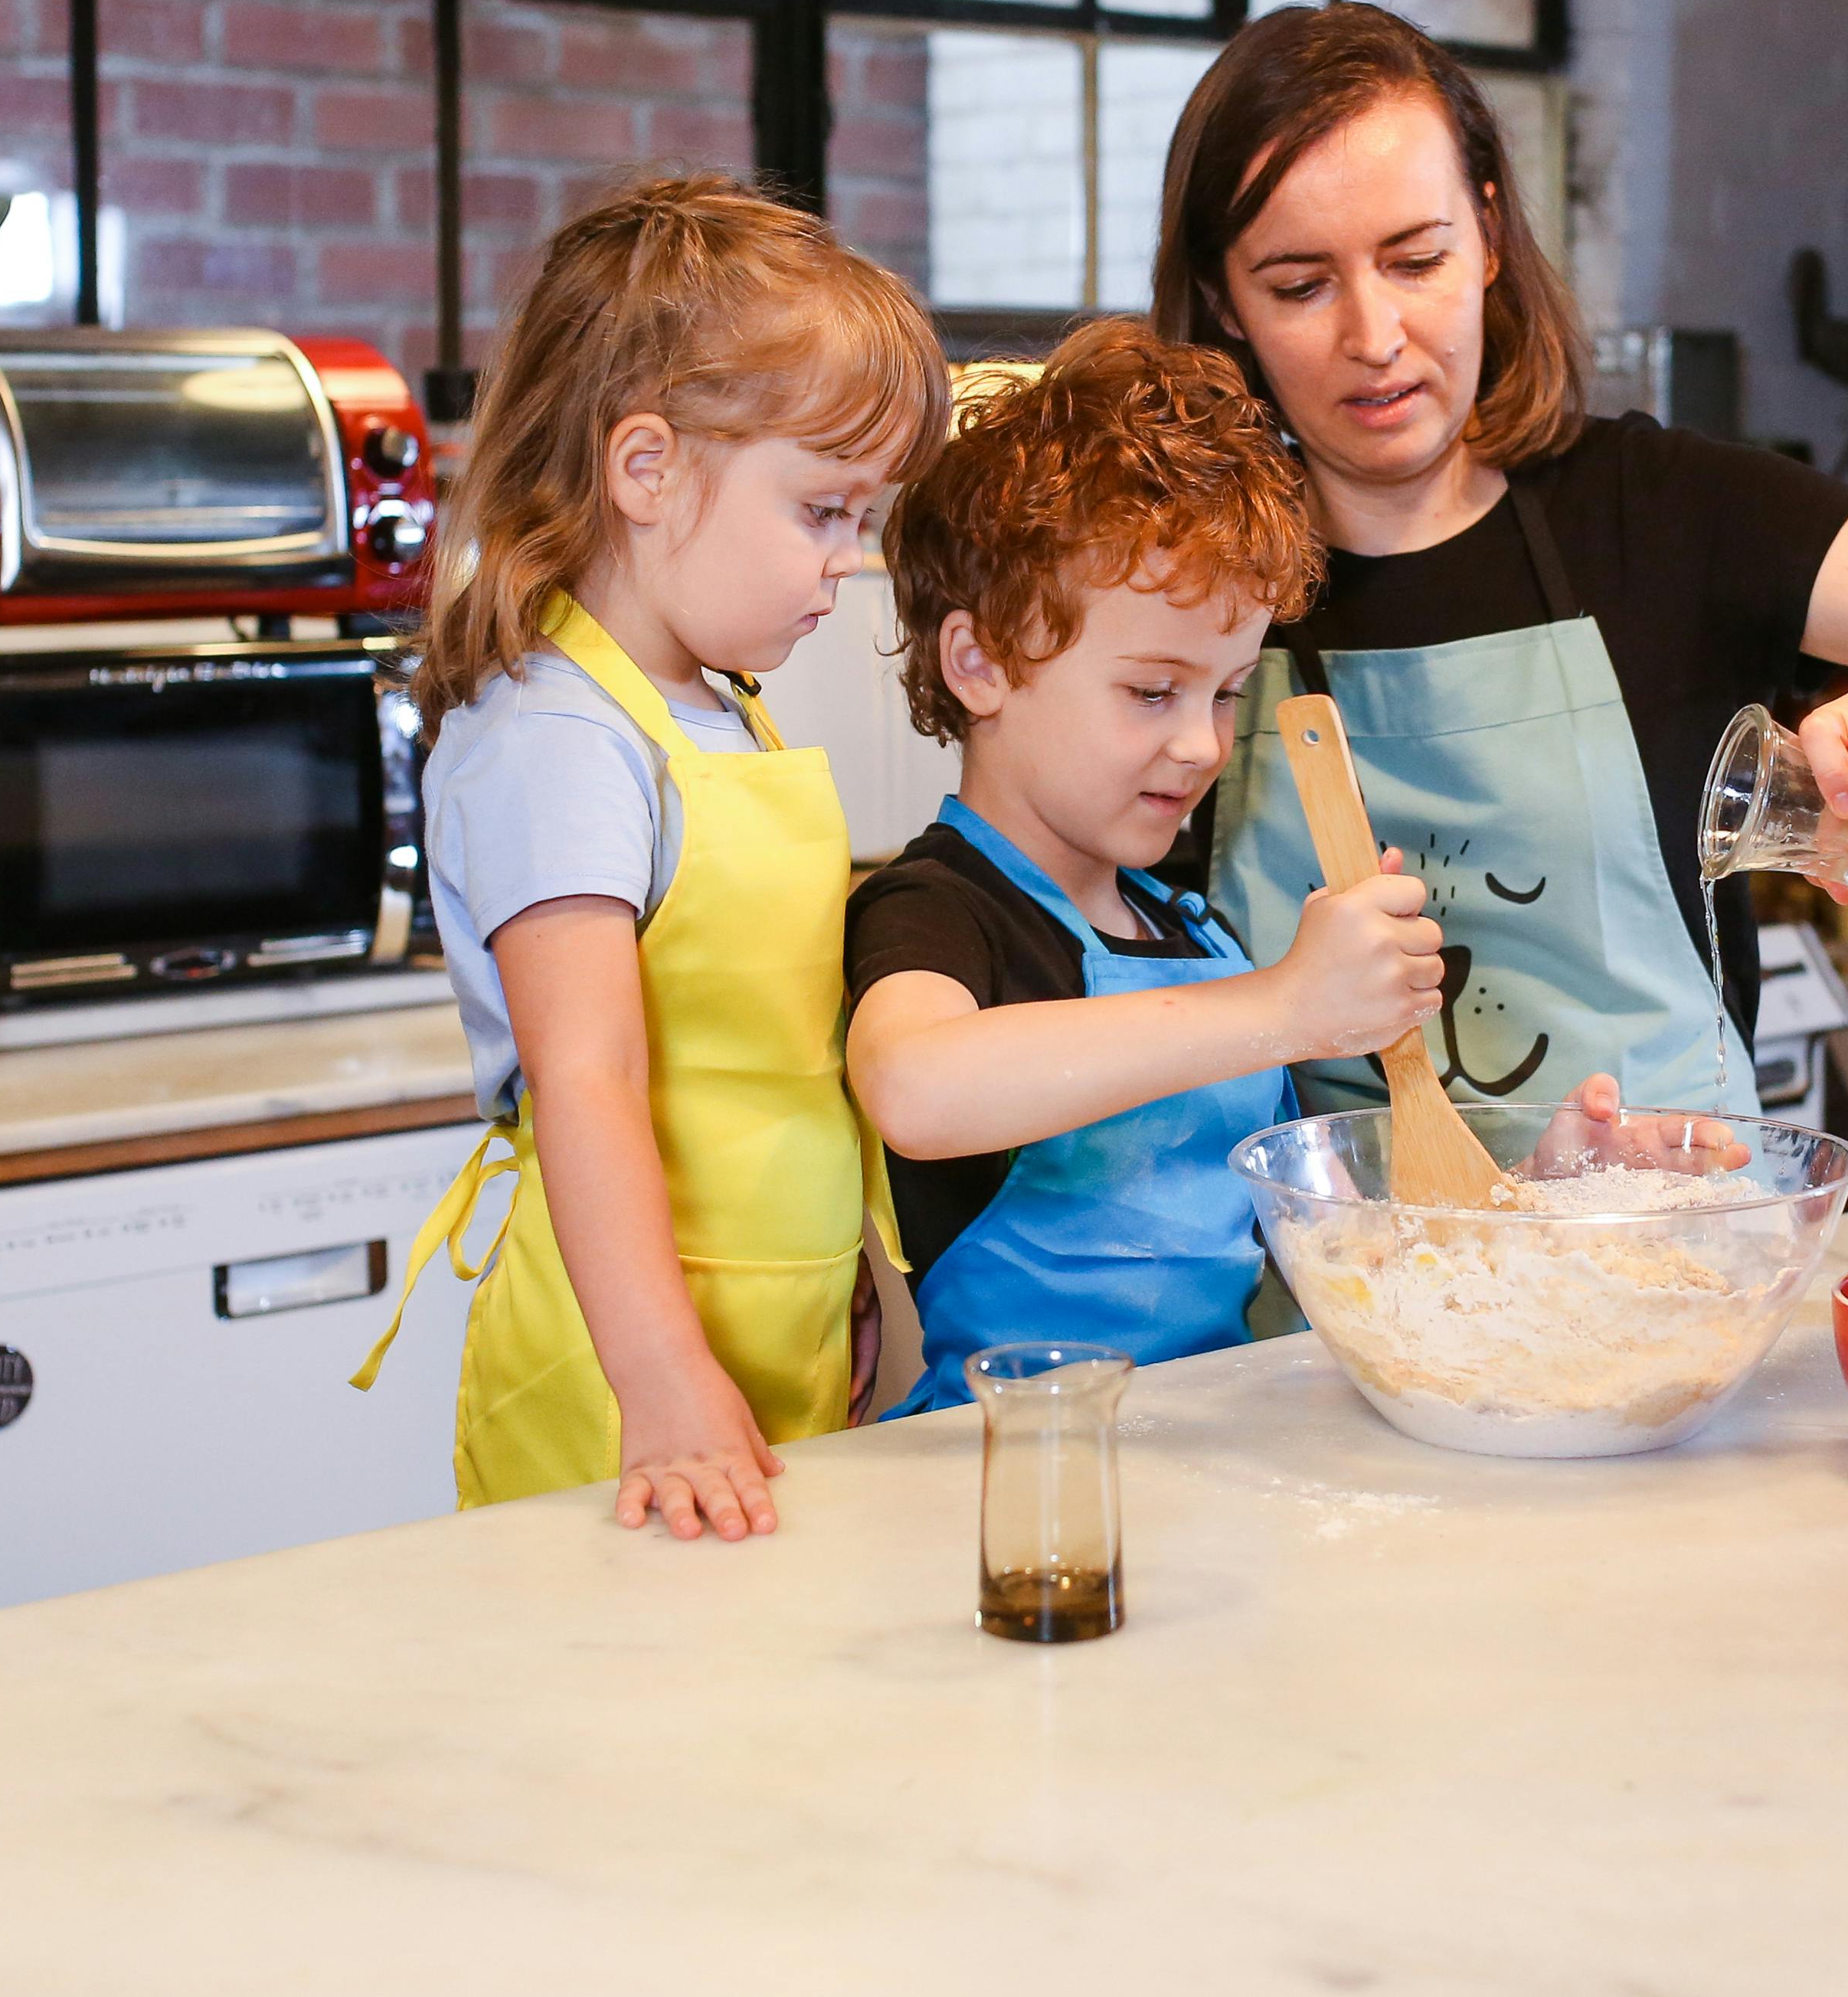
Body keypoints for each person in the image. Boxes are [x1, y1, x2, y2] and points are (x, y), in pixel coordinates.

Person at [1153, 3, 1848, 1118]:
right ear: (1223, 300)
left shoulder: (1665, 514)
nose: (1374, 335)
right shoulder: (1176, 583)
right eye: (1300, 285)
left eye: (1416, 260)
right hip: (1320, 1273)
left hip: (1661, 1257)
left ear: (1490, 236)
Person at [355, 175, 946, 1542]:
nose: (847, 563)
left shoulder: (714, 703)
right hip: (619, 1381)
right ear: (647, 469)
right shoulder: (557, 732)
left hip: (771, 1334)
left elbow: (777, 1059)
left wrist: (842, 1267)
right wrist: (665, 1374)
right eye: (823, 511)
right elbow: (589, 1076)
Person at [840, 322, 1446, 1411]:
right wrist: (1283, 1007)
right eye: (1151, 691)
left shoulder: (1184, 928)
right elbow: (917, 1088)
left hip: (1204, 1454)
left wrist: (1533, 1176)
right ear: (979, 663)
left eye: (1226, 691)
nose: (1202, 746)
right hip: (997, 1475)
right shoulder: (936, 907)